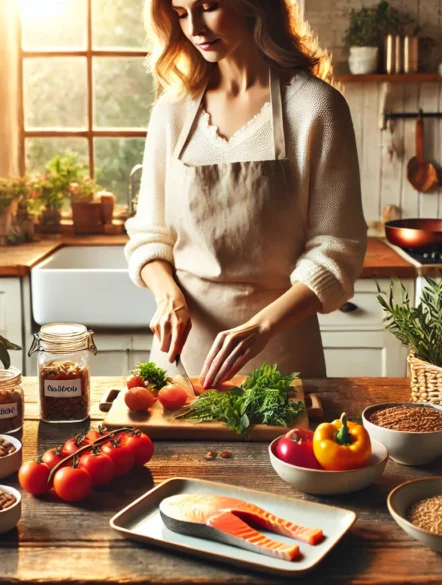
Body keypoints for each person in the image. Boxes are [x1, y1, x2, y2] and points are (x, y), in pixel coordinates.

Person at [124, 0, 366, 389]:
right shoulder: (173, 111)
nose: (195, 28)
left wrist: (260, 328)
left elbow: (335, 250)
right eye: (182, 12)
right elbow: (150, 237)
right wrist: (168, 296)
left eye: (208, 6)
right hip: (181, 358)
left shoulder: (315, 107)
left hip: (282, 353)